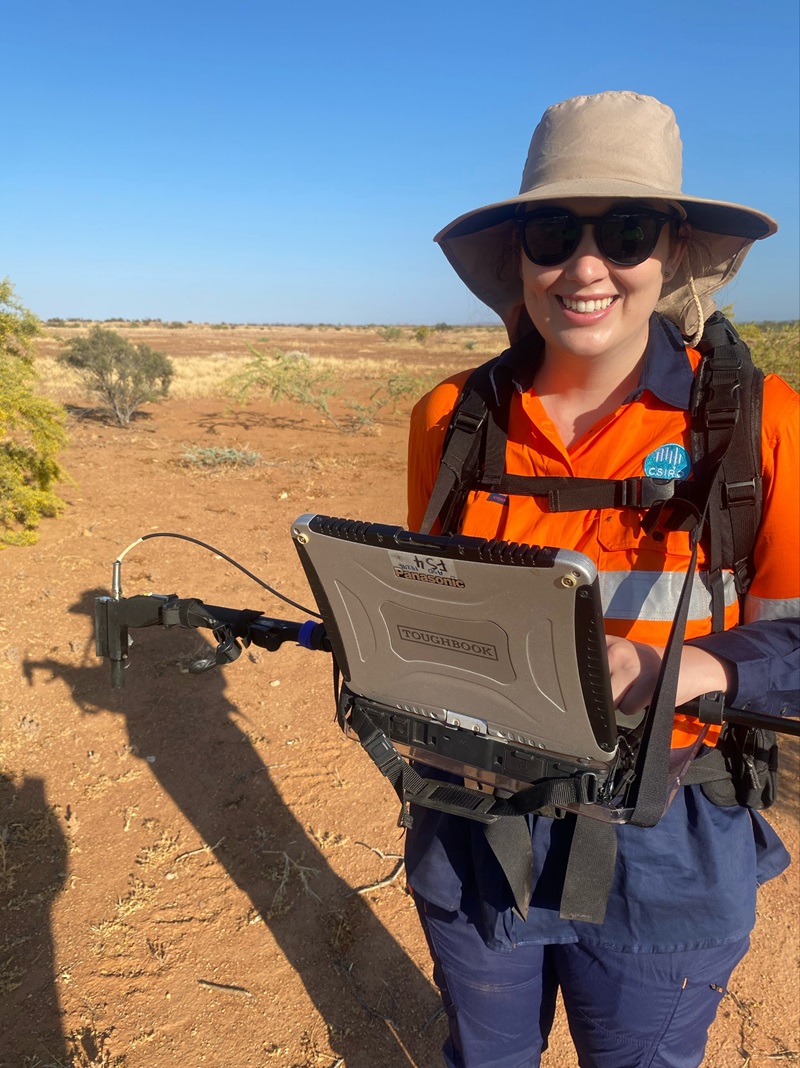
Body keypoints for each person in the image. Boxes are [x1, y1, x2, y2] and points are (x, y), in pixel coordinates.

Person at [404, 91, 799, 1068]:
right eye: (552, 231)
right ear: (519, 255)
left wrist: (695, 672)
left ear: (669, 251)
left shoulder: (759, 425)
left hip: (667, 835)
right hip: (475, 827)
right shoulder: (449, 420)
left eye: (623, 232)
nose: (584, 267)